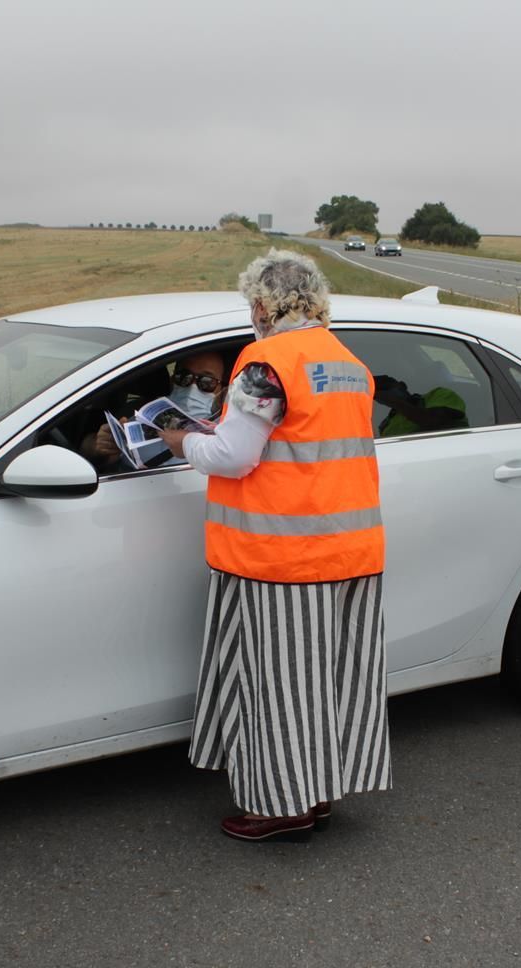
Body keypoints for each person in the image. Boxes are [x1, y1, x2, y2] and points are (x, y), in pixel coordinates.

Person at [156, 250, 390, 841]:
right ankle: (317, 796)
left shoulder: (264, 363)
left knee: (280, 689)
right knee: (330, 685)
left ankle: (283, 808)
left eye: (250, 306)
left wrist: (180, 440)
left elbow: (234, 456)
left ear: (262, 305)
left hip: (282, 558)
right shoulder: (347, 362)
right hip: (350, 551)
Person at [83, 351, 232, 471]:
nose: (191, 387)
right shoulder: (142, 416)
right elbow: (89, 451)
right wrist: (100, 445)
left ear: (223, 390)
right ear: (173, 379)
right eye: (184, 376)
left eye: (206, 382)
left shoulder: (229, 434)